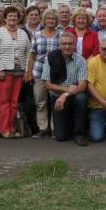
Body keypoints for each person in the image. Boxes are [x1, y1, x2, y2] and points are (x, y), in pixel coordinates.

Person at [0, 6, 32, 138]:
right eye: (10, 16)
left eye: (15, 16)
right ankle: (5, 129)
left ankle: (13, 127)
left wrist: (27, 70)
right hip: (4, 72)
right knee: (4, 101)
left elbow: (28, 52)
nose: (13, 18)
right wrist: (0, 69)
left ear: (18, 18)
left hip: (19, 72)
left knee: (14, 102)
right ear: (5, 18)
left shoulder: (22, 33)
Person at [42, 32, 88, 145]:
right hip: (57, 98)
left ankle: (79, 134)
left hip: (74, 96)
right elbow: (47, 84)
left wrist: (66, 94)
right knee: (61, 137)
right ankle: (68, 127)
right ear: (60, 45)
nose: (67, 47)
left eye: (70, 44)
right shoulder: (50, 58)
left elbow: (82, 86)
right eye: (64, 44)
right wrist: (66, 90)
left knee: (82, 98)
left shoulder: (80, 60)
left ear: (75, 45)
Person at [27, 9, 61, 139]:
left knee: (55, 101)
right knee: (40, 102)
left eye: (53, 19)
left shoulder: (61, 34)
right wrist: (29, 73)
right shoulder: (37, 35)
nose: (51, 21)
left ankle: (54, 128)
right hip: (39, 72)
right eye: (48, 19)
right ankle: (43, 128)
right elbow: (32, 55)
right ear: (44, 20)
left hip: (55, 74)